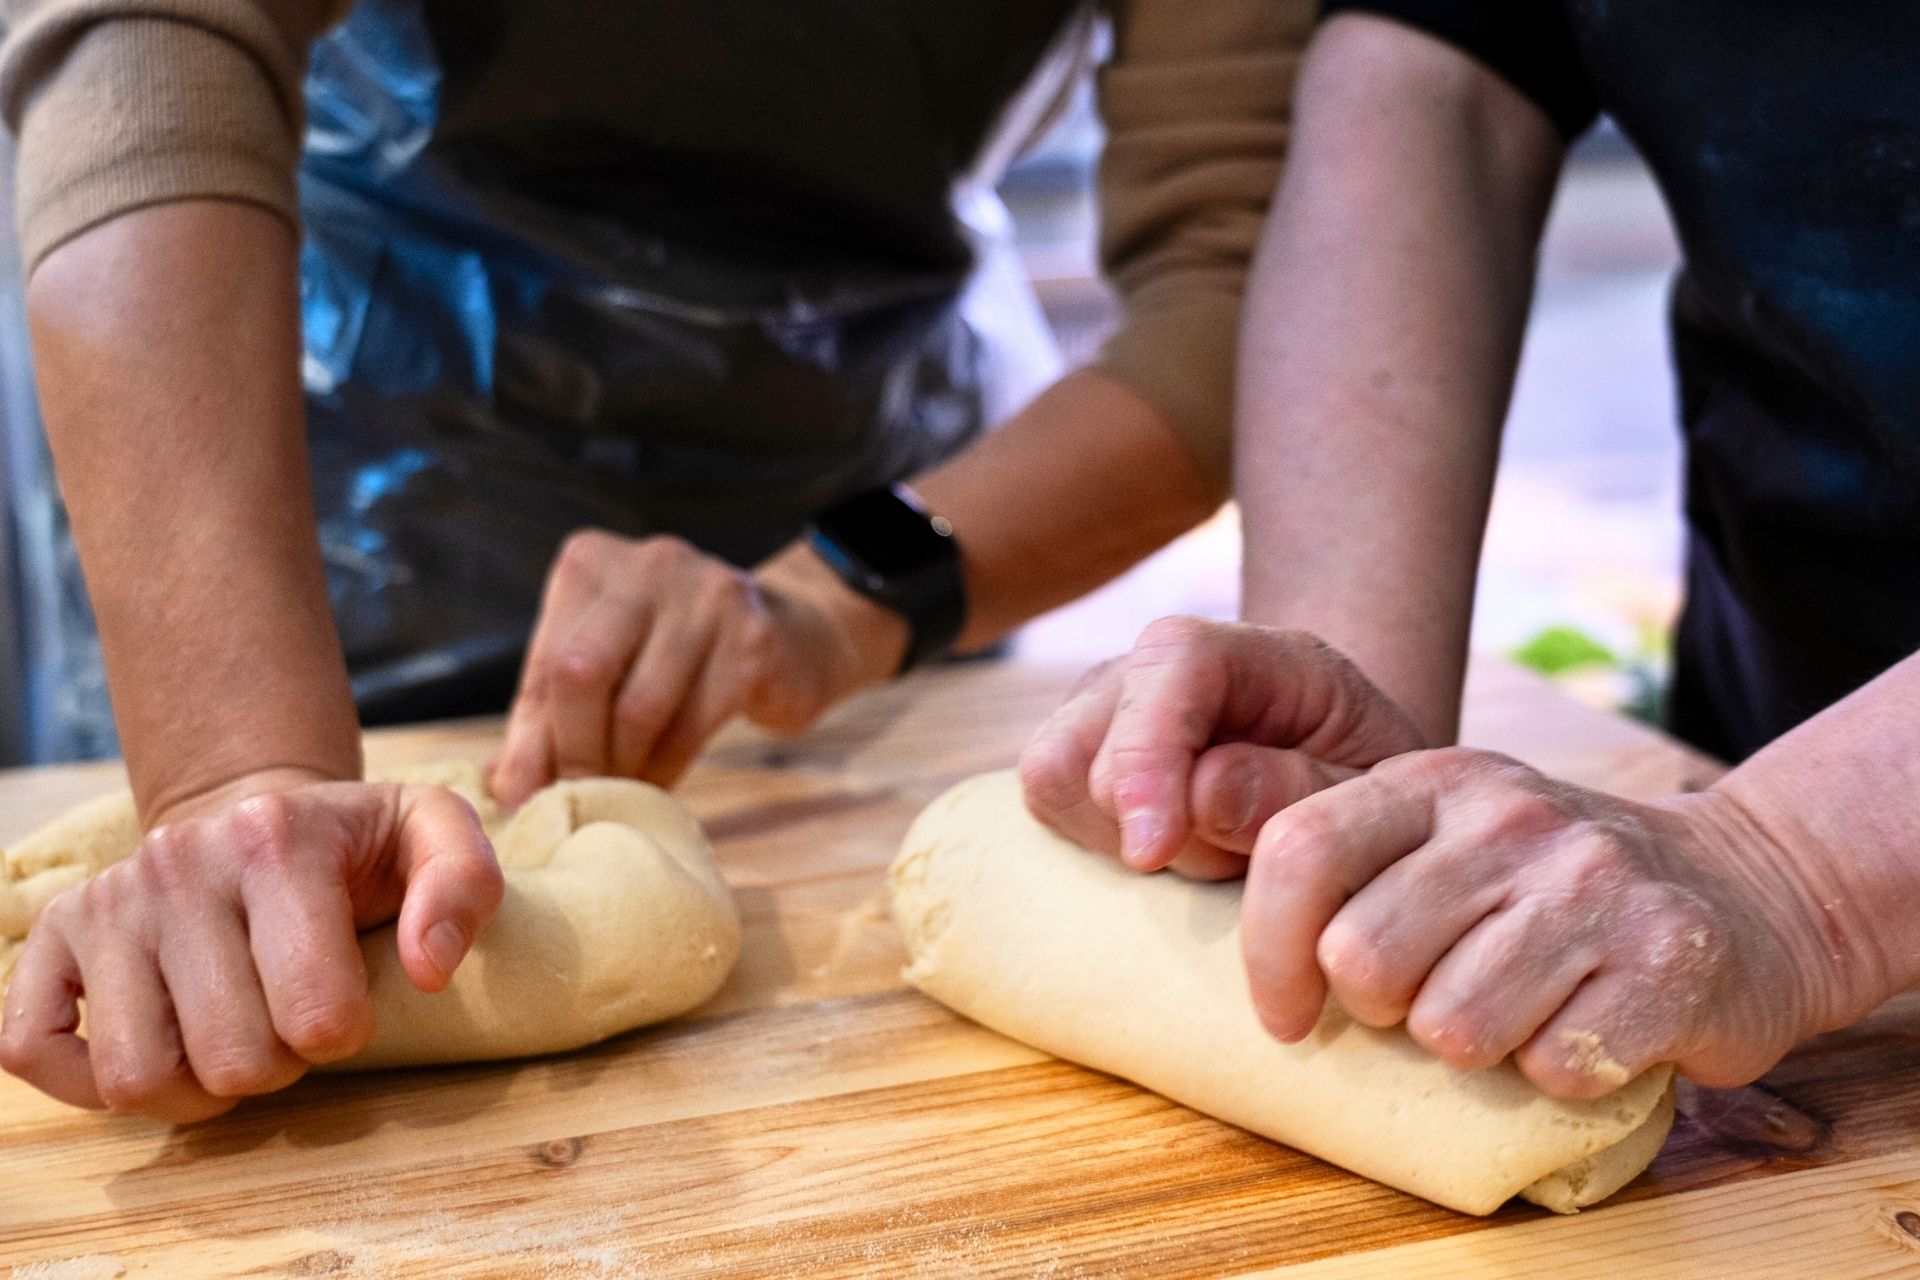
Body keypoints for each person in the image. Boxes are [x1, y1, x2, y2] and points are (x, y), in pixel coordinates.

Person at [0, 0, 1312, 1119]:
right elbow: (147, 47)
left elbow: (1240, 275)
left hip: (878, 459)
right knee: (209, 927)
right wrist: (234, 767)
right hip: (267, 447)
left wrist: (843, 592)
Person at [1021, 2, 1920, 1103]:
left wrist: (1796, 866)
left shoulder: (1780, 863)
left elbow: (1780, 866)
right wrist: (1344, 751)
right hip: (1781, 689)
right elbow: (1436, 71)